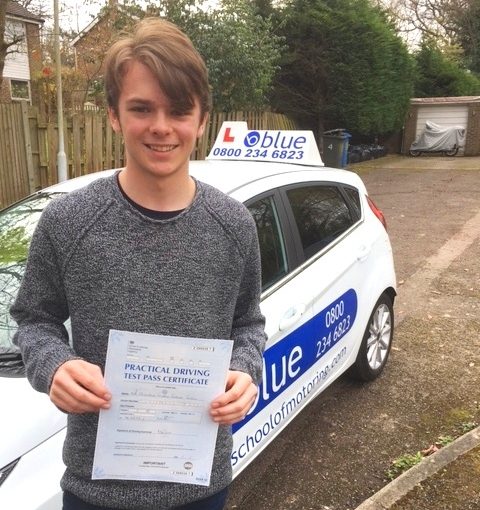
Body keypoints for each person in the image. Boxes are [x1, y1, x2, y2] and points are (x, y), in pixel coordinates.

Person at [11, 17, 266, 510]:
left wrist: (244, 370)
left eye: (179, 110)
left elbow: (248, 321)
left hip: (200, 485)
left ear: (203, 118)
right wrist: (52, 365)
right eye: (142, 108)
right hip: (94, 490)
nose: (161, 127)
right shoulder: (69, 220)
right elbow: (33, 319)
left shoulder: (234, 224)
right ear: (113, 115)